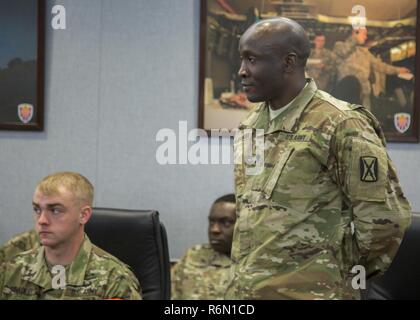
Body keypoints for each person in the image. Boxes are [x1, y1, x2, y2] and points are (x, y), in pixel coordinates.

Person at [226, 18, 411, 300]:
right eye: (242, 59)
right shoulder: (252, 124)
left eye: (252, 59)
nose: (242, 71)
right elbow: (251, 215)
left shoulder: (341, 124)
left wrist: (336, 270)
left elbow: (385, 220)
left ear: (288, 63)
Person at [0, 172, 142, 300]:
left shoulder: (113, 279)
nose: (42, 220)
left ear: (83, 215)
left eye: (55, 210)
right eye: (37, 209)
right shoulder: (11, 270)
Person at [171, 194, 236, 300]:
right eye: (211, 222)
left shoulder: (260, 262)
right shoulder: (193, 256)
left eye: (226, 222)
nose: (214, 229)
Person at [334, 27, 411, 109]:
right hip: (346, 96)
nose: (366, 37)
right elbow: (343, 51)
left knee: (364, 119)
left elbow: (380, 66)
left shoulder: (364, 52)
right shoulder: (339, 46)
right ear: (355, 33)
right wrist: (354, 39)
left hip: (363, 95)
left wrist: (398, 70)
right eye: (364, 34)